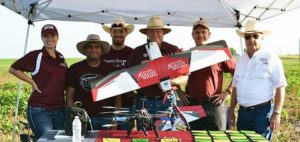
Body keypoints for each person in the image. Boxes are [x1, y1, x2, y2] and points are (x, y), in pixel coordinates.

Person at [228, 20, 287, 140]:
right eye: (247, 36)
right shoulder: (241, 60)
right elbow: (235, 86)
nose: (251, 39)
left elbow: (281, 86)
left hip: (262, 113)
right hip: (243, 113)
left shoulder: (271, 58)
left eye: (255, 36)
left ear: (262, 38)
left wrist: (276, 113)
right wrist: (231, 110)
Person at [9, 24, 67, 139]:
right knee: (48, 140)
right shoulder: (36, 55)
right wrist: (31, 82)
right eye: (46, 36)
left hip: (60, 109)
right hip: (40, 109)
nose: (50, 39)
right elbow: (13, 69)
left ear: (58, 37)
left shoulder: (60, 57)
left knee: (60, 140)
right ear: (42, 38)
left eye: (52, 35)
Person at [185, 20, 236, 130]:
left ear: (209, 34)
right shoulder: (187, 55)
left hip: (213, 104)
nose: (200, 35)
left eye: (203, 32)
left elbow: (238, 72)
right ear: (192, 35)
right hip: (192, 104)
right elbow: (171, 75)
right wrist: (179, 92)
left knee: (217, 137)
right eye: (197, 32)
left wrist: (228, 92)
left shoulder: (219, 51)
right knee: (194, 136)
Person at [127, 16, 183, 115]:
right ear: (147, 33)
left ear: (163, 33)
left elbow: (184, 75)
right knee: (144, 130)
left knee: (169, 129)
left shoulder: (173, 50)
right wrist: (141, 70)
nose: (155, 34)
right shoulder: (137, 52)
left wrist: (173, 82)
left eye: (158, 31)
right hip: (144, 101)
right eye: (152, 31)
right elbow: (128, 76)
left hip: (168, 99)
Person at [66, 34, 117, 130]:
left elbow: (117, 97)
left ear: (101, 50)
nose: (93, 49)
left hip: (106, 119)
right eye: (90, 47)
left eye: (97, 46)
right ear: (85, 50)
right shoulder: (75, 68)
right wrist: (74, 116)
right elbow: (69, 96)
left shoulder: (110, 70)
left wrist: (115, 119)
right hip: (82, 118)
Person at [102, 17, 135, 130]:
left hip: (128, 106)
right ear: (110, 33)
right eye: (115, 31)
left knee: (126, 136)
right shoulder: (103, 53)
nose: (118, 34)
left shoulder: (133, 53)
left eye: (121, 31)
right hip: (106, 106)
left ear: (126, 33)